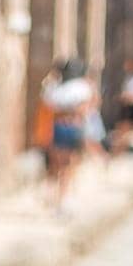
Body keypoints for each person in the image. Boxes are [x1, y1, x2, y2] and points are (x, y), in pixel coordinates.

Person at [41, 56, 92, 207]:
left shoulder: (58, 88)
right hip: (68, 128)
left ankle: (59, 196)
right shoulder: (79, 87)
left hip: (63, 128)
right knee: (65, 165)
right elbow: (83, 108)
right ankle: (60, 198)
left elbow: (51, 105)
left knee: (63, 165)